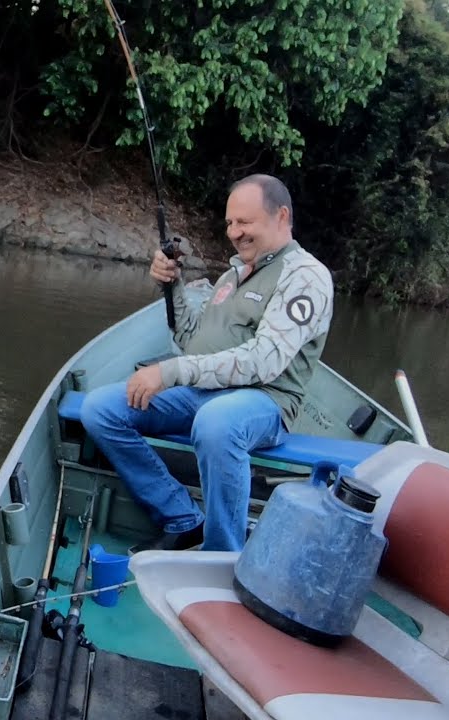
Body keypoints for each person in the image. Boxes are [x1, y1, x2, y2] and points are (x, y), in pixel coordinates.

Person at [79, 174, 333, 553]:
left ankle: (221, 554)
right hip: (199, 391)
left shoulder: (306, 277)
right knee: (101, 409)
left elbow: (264, 362)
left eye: (244, 222)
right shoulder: (232, 275)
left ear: (281, 217)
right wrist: (172, 285)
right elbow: (190, 340)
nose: (234, 232)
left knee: (216, 424)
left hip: (263, 401)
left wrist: (170, 372)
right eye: (230, 223)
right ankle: (182, 517)